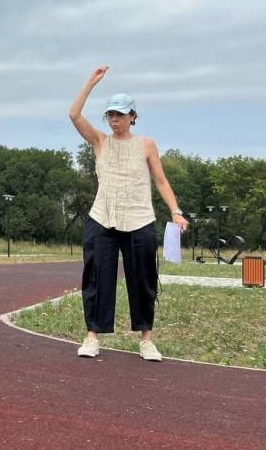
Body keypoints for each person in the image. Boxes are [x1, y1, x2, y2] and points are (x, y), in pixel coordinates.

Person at [69, 66, 188, 361]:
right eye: (110, 115)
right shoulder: (100, 141)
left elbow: (160, 180)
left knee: (143, 279)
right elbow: (73, 115)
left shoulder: (146, 144)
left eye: (120, 115)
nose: (114, 120)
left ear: (132, 116)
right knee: (97, 277)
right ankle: (92, 336)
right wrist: (90, 83)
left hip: (139, 219)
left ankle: (146, 339)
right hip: (102, 218)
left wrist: (176, 211)